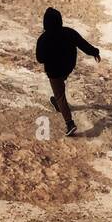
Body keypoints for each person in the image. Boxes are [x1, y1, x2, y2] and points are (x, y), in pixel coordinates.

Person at [34, 7, 99, 137]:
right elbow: (83, 44)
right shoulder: (69, 32)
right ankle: (57, 103)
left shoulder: (43, 39)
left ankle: (69, 123)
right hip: (68, 66)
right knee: (59, 92)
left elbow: (40, 59)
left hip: (54, 71)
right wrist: (94, 52)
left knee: (60, 96)